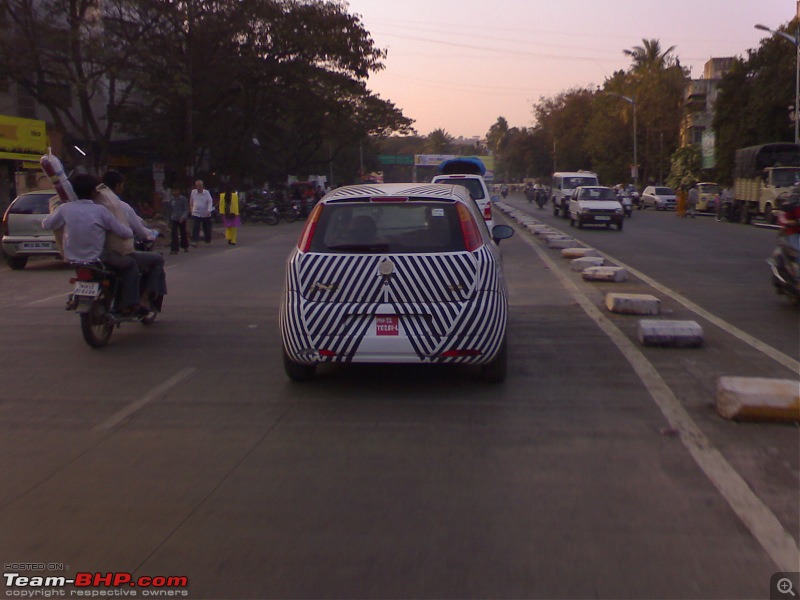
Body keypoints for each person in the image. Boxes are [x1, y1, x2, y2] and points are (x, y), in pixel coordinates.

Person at [41, 173, 142, 313]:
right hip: (98, 257)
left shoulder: (65, 209)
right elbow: (121, 231)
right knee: (131, 265)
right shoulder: (100, 211)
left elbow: (46, 224)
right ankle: (128, 304)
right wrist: (131, 232)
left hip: (73, 258)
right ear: (93, 192)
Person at [98, 170, 168, 309]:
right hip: (115, 252)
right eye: (122, 185)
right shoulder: (120, 206)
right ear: (118, 186)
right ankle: (142, 299)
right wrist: (153, 234)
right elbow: (139, 230)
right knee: (156, 260)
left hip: (96, 253)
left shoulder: (94, 203)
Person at [190, 179, 214, 245]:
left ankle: (207, 239)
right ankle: (195, 240)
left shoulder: (206, 192)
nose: (198, 188)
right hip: (196, 212)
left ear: (202, 186)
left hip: (205, 213)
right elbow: (191, 201)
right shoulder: (193, 192)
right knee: (196, 226)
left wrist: (209, 210)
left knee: (207, 228)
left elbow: (210, 201)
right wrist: (191, 210)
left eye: (199, 186)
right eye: (197, 186)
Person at [168, 187, 190, 254]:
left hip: (181, 218)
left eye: (176, 191)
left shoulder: (183, 199)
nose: (174, 193)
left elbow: (186, 209)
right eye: (173, 191)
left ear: (178, 191)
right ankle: (174, 249)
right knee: (174, 233)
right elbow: (170, 210)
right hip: (174, 218)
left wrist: (183, 217)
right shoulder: (172, 200)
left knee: (183, 232)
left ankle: (185, 246)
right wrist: (169, 219)